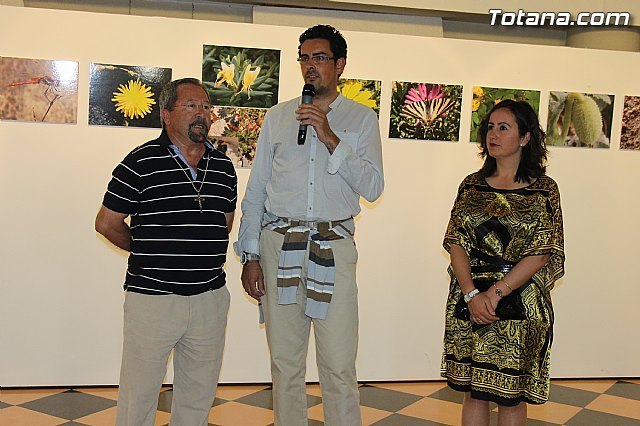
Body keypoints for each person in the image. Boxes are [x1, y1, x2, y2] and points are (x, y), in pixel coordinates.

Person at [235, 24, 384, 425]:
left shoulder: (361, 119)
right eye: (304, 57)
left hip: (333, 246)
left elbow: (373, 186)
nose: (310, 66)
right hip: (279, 244)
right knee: (285, 366)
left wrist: (330, 136)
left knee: (338, 367)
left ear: (340, 65)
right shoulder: (278, 117)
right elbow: (256, 190)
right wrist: (250, 255)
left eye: (319, 58)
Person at [95, 78, 237, 426]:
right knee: (139, 397)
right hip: (153, 300)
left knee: (198, 396)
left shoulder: (223, 167)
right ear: (166, 114)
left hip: (209, 299)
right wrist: (146, 251)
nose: (201, 113)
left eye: (205, 106)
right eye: (190, 106)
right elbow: (107, 222)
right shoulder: (140, 162)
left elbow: (225, 225)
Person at [441, 99, 565, 426]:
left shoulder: (544, 189)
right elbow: (456, 241)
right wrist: (470, 294)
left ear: (525, 138)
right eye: (490, 127)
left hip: (518, 301)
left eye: (503, 128)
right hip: (469, 301)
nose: (493, 134)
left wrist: (494, 294)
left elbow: (542, 250)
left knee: (509, 395)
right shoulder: (471, 185)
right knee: (473, 391)